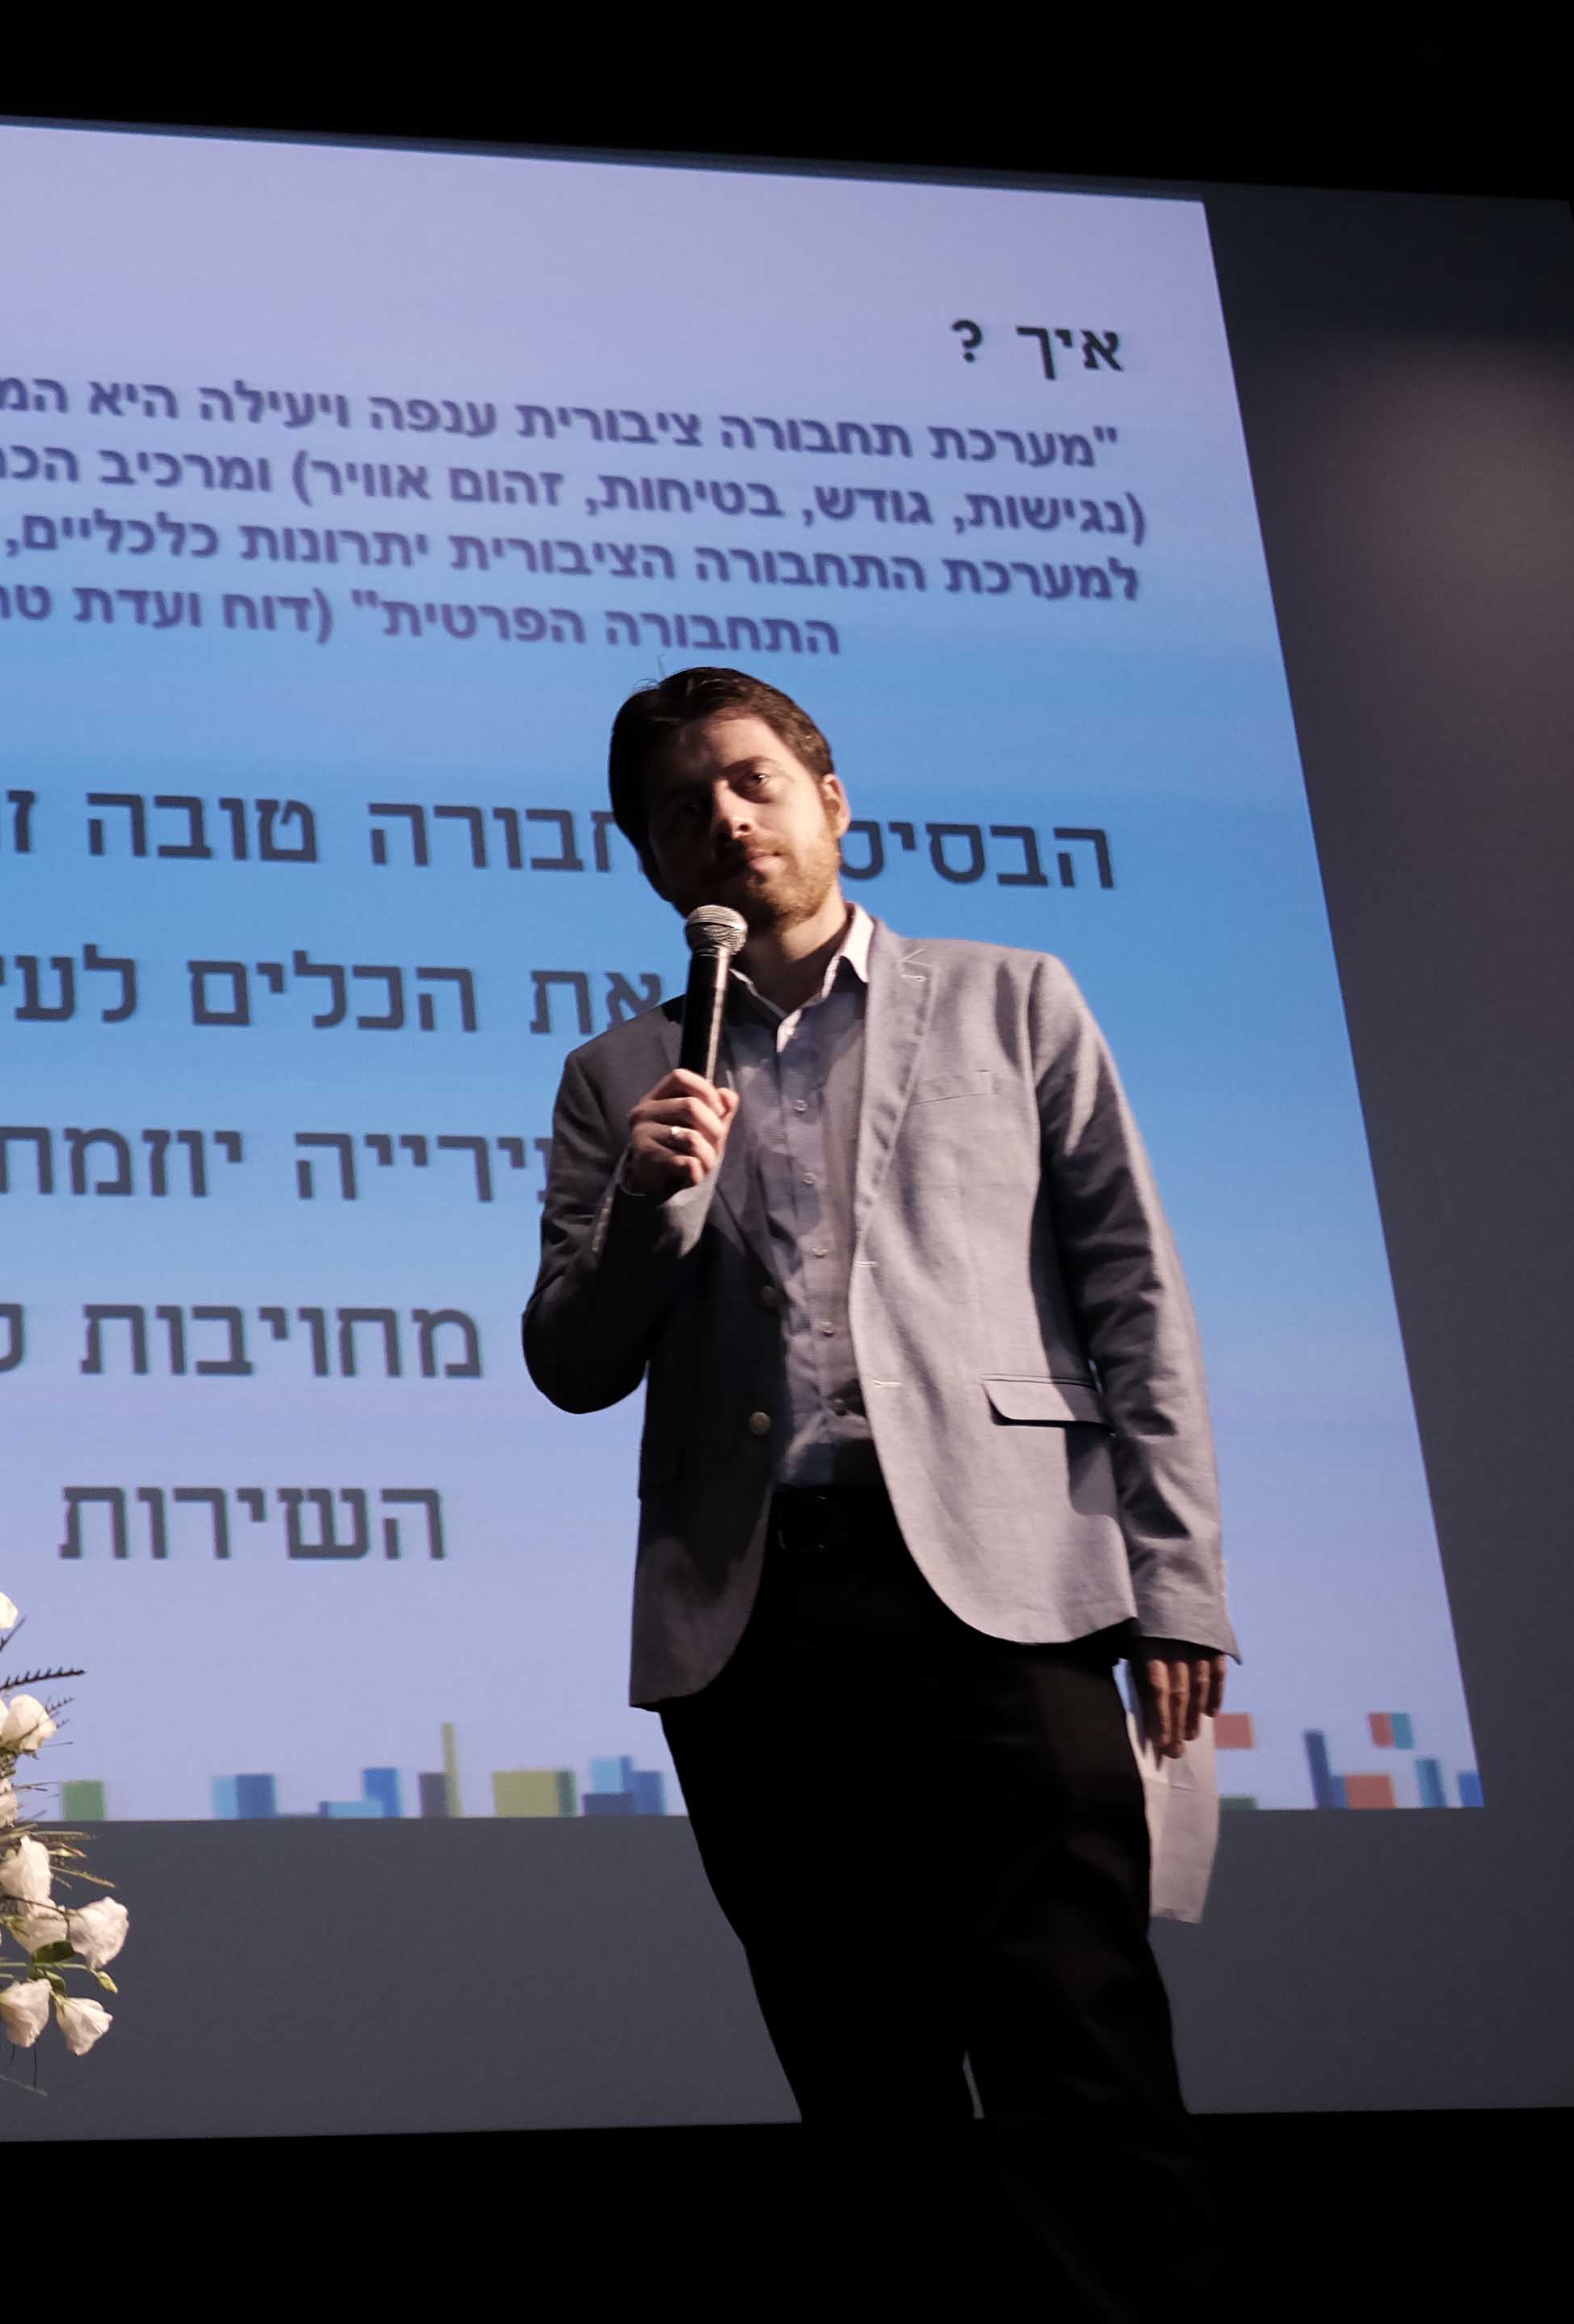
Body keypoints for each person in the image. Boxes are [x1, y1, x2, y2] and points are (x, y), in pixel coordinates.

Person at [521, 667, 1231, 2315]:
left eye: (751, 780)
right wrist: (648, 1211)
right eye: (680, 806)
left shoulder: (1012, 998)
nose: (724, 819)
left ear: (831, 801)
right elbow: (571, 1359)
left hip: (1004, 1586)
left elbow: (1134, 1293)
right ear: (646, 857)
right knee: (864, 2081)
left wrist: (1178, 1581)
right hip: (759, 1617)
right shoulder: (616, 1073)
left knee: (1081, 2049)